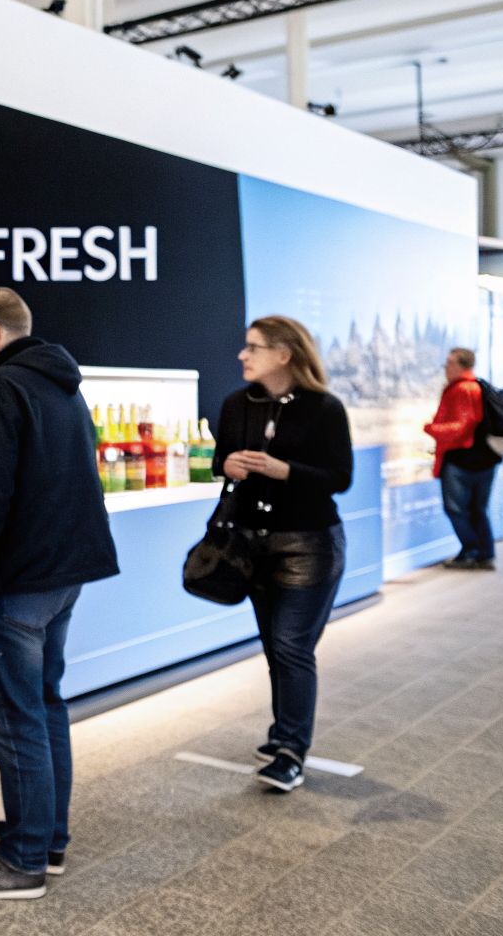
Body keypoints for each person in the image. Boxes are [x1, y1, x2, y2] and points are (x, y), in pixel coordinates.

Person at [0, 287, 118, 900]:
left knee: (16, 720)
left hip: (16, 580)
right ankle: (47, 837)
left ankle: (23, 860)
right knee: (44, 707)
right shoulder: (60, 382)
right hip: (62, 575)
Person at [213, 316, 354, 792]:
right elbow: (221, 458)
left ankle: (292, 750)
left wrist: (283, 470)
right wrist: (228, 463)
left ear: (284, 354)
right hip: (251, 545)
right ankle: (281, 734)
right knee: (276, 646)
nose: (242, 355)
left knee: (292, 645)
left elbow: (340, 478)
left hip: (308, 544)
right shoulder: (237, 404)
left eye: (253, 347)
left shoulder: (325, 408)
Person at [425, 347, 502, 570]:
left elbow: (462, 426)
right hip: (485, 459)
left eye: (449, 363)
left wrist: (432, 429)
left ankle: (471, 551)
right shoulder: (479, 386)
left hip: (462, 460)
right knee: (478, 508)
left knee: (457, 509)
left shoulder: (461, 389)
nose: (446, 368)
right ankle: (484, 553)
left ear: (461, 365)